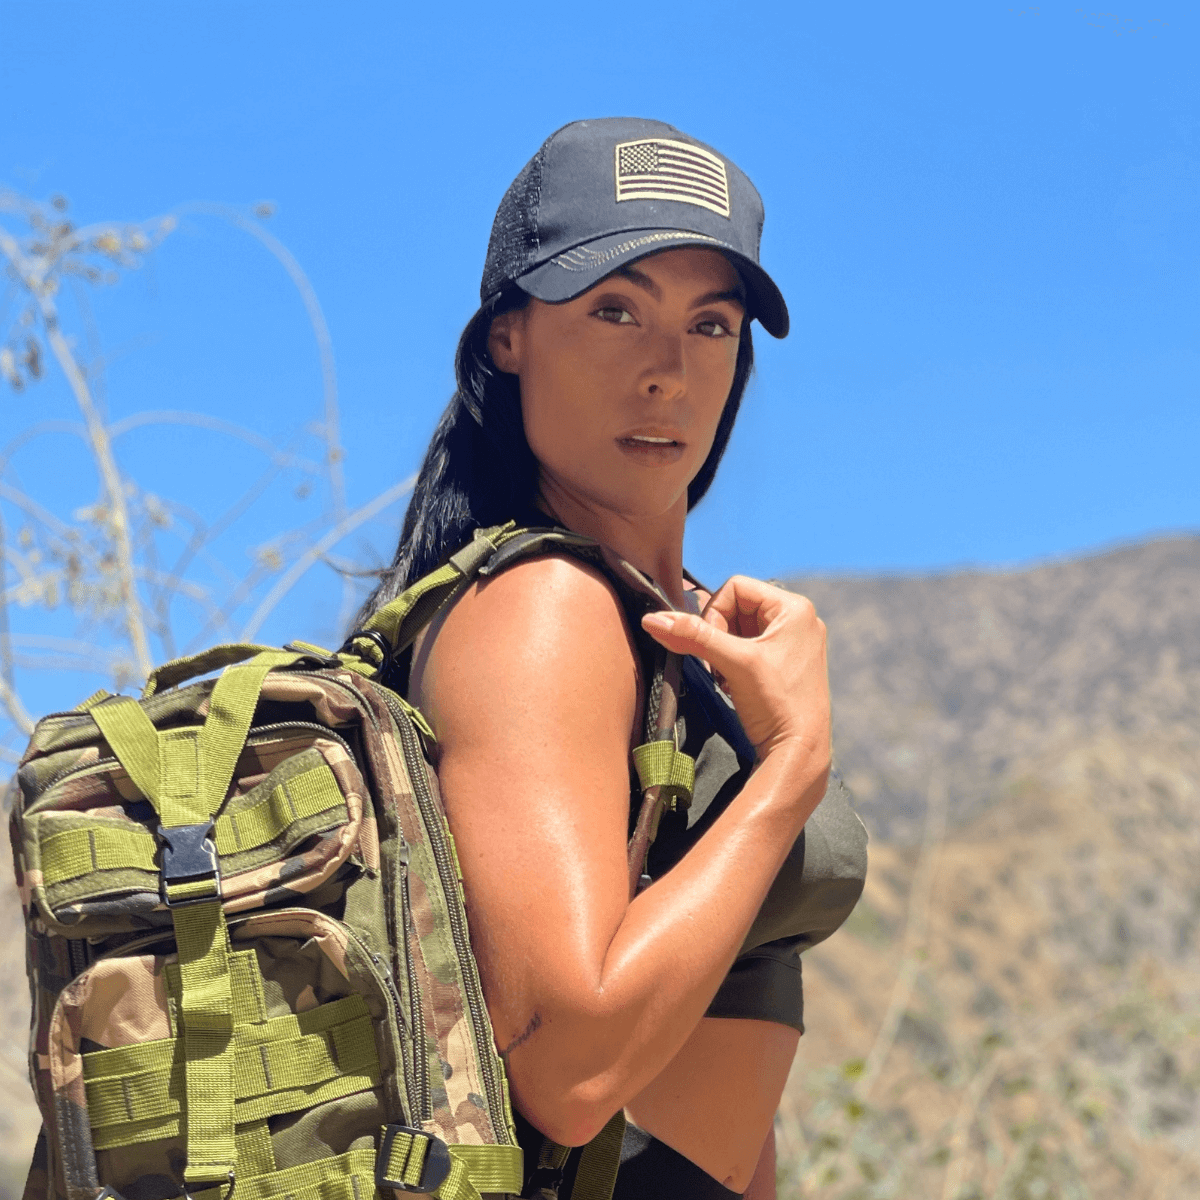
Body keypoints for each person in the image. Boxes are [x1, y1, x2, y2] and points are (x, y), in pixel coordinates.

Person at [357, 118, 868, 1199]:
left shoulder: (658, 621)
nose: (667, 372)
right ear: (508, 337)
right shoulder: (541, 606)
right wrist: (791, 769)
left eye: (711, 324)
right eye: (615, 311)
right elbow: (571, 1068)